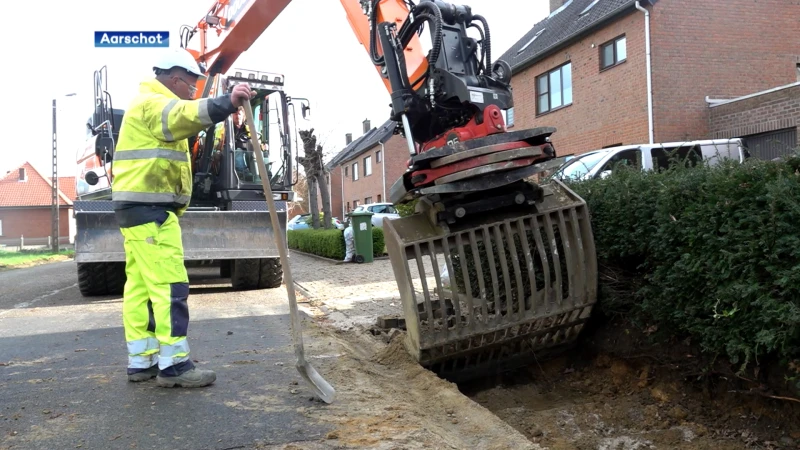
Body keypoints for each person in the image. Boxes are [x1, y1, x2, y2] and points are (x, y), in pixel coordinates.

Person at [111, 48, 255, 388]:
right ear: (176, 78)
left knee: (141, 287)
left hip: (137, 209)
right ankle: (175, 364)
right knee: (169, 286)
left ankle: (141, 360)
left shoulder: (144, 102)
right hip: (151, 211)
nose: (193, 91)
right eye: (192, 85)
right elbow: (184, 115)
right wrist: (227, 102)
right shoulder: (154, 103)